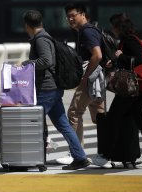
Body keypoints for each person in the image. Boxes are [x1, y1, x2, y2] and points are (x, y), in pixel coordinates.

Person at [21, 10, 90, 170]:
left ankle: (36, 160)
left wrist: (27, 64)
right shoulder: (43, 36)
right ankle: (80, 157)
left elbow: (46, 61)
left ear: (27, 25)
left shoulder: (41, 39)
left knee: (33, 123)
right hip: (52, 88)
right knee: (63, 124)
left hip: (47, 89)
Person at [55, 2, 110, 168]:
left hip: (91, 78)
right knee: (100, 117)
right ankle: (106, 154)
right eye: (68, 16)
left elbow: (97, 55)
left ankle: (76, 153)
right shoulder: (89, 30)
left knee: (74, 113)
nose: (70, 19)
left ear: (83, 14)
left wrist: (85, 77)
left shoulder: (86, 31)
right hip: (98, 79)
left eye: (73, 15)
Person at [104, 13, 142, 169]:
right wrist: (114, 61)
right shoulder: (130, 39)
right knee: (141, 121)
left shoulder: (129, 40)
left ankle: (105, 155)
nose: (112, 30)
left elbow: (138, 59)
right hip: (136, 88)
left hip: (132, 88)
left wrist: (121, 56)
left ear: (119, 27)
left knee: (113, 117)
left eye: (113, 26)